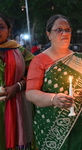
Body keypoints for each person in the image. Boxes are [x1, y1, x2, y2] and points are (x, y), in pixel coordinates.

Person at [26, 14, 82, 150]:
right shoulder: (40, 60)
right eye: (59, 30)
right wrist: (53, 99)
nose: (64, 33)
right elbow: (30, 93)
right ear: (49, 34)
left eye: (67, 30)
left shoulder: (81, 60)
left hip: (80, 124)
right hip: (51, 128)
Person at [0, 14, 34, 149]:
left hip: (18, 105)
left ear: (9, 30)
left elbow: (35, 74)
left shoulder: (20, 51)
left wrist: (18, 86)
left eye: (1, 27)